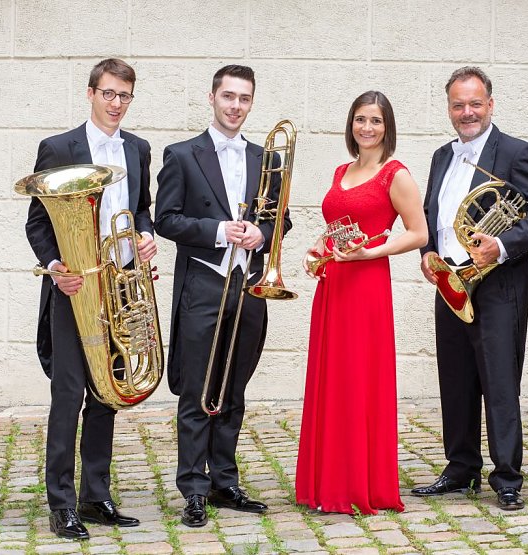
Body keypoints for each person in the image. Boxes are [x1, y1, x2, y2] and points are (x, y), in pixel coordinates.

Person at [413, 66, 528, 510]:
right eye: (459, 105)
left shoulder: (516, 151)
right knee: (454, 379)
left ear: (490, 104)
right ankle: (461, 468)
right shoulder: (442, 156)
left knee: (498, 381)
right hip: (451, 279)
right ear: (449, 108)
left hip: (498, 285)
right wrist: (430, 252)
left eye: (475, 103)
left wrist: (502, 244)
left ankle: (508, 477)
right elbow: (432, 211)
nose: (467, 112)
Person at [24, 58, 155, 539]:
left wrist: (144, 236)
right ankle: (61, 504)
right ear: (91, 93)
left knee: (107, 394)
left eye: (125, 96)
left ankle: (95, 495)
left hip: (119, 285)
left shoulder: (139, 149)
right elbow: (38, 223)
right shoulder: (59, 147)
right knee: (69, 394)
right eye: (109, 94)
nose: (116, 104)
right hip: (74, 285)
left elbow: (141, 211)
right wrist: (57, 268)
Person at [154, 64, 290, 528]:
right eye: (228, 96)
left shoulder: (265, 158)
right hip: (204, 285)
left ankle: (224, 481)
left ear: (252, 102)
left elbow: (281, 220)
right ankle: (193, 487)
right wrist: (217, 230)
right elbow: (165, 219)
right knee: (197, 390)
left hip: (249, 284)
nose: (236, 106)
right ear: (212, 98)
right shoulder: (182, 154)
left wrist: (260, 231)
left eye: (244, 98)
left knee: (234, 389)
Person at [295, 91, 427, 515]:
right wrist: (319, 247)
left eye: (375, 120)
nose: (366, 128)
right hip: (334, 284)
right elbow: (336, 227)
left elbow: (418, 233)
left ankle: (358, 482)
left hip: (366, 285)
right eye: (359, 120)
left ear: (387, 126)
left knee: (358, 379)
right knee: (332, 378)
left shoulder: (396, 174)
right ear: (350, 124)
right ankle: (326, 480)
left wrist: (371, 253)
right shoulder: (342, 169)